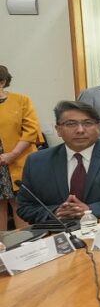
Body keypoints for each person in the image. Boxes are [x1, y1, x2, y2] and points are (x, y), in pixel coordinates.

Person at [17, 101, 100, 223]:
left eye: (88, 123)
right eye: (71, 124)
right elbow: (25, 207)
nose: (80, 130)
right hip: (58, 236)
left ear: (98, 127)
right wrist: (57, 212)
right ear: (58, 130)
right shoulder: (37, 162)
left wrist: (90, 210)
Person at [0, 66, 43, 229]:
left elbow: (31, 130)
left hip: (17, 159)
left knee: (20, 203)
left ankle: (24, 247)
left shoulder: (21, 100)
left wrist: (13, 154)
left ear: (2, 82)